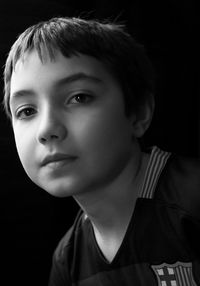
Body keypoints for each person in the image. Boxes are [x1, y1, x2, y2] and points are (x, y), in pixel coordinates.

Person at [3, 16, 200, 285]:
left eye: (79, 97)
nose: (46, 129)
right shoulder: (68, 260)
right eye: (26, 111)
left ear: (138, 112)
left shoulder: (191, 201)